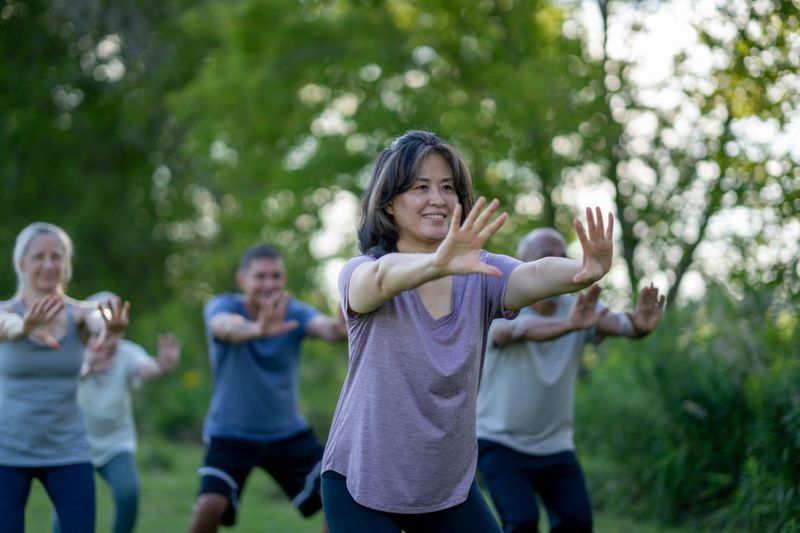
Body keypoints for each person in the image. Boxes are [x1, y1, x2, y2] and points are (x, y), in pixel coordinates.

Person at [320, 130, 615, 533]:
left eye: (448, 188)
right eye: (420, 187)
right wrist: (437, 263)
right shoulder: (361, 271)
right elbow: (383, 279)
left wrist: (584, 272)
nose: (438, 199)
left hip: (445, 487)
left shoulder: (479, 272)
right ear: (389, 203)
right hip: (361, 481)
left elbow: (534, 274)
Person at [476, 228, 666, 533]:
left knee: (577, 522)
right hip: (499, 442)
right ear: (522, 263)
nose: (556, 265)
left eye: (562, 257)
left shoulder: (580, 307)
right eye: (545, 257)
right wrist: (569, 325)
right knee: (521, 521)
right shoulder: (502, 306)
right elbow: (518, 332)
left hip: (555, 445)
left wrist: (639, 327)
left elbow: (621, 324)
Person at [188, 244, 347, 533]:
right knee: (209, 505)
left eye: (276, 276)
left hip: (288, 433)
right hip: (230, 433)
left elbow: (326, 328)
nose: (269, 283)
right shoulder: (222, 306)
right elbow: (225, 327)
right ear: (242, 280)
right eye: (260, 276)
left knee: (338, 497)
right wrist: (256, 330)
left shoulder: (293, 311)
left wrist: (340, 325)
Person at [0, 222, 129, 533]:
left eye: (56, 257)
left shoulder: (79, 314)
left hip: (67, 450)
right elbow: (9, 327)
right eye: (39, 257)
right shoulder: (5, 311)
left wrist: (107, 327)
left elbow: (96, 317)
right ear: (22, 263)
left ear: (66, 264)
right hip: (7, 451)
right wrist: (26, 328)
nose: (48, 265)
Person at [51, 291, 182, 533]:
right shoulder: (73, 351)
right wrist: (88, 369)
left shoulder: (127, 352)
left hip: (116, 443)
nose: (107, 338)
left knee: (128, 494)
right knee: (69, 506)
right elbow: (56, 384)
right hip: (76, 444)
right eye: (100, 329)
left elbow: (146, 368)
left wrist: (163, 366)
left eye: (113, 330)